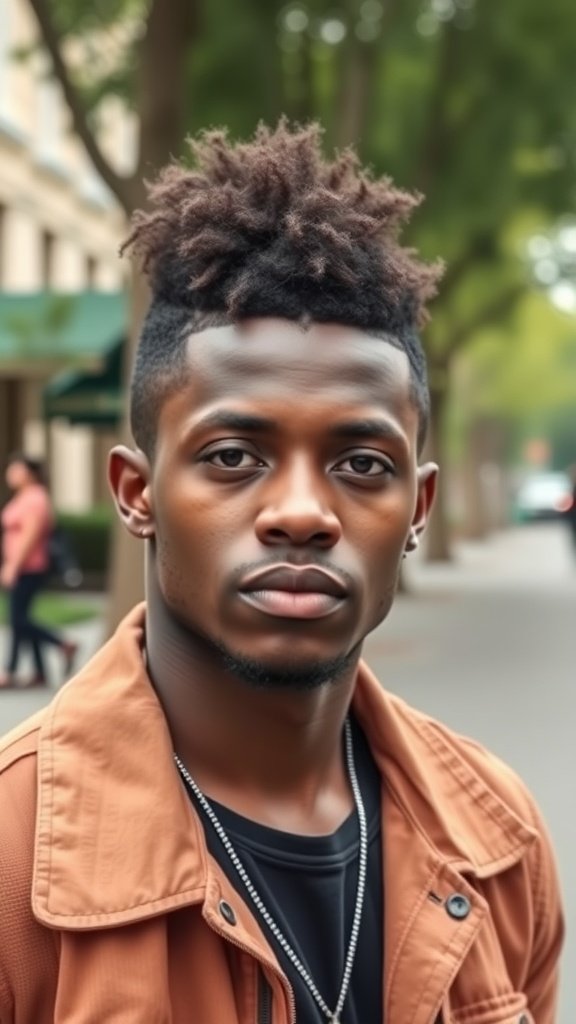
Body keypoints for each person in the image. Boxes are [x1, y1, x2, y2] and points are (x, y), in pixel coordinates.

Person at [0, 123, 563, 1023]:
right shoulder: (13, 859)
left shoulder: (499, 837)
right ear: (137, 493)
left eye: (362, 465)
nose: (302, 511)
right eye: (232, 456)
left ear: (417, 511)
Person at [0, 454, 77, 688]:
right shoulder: (22, 497)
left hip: (29, 567)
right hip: (22, 567)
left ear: (29, 472)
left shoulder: (36, 498)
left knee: (18, 619)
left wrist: (13, 566)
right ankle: (40, 673)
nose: (10, 473)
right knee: (23, 617)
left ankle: (62, 645)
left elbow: (30, 536)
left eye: (15, 469)